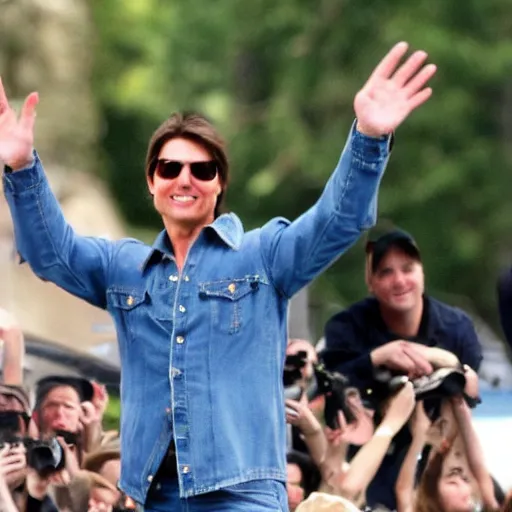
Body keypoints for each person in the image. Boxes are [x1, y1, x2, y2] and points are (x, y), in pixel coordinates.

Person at [0, 41, 436, 511]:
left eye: (201, 168)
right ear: (152, 183)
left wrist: (368, 139)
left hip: (242, 493)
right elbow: (51, 254)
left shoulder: (263, 255)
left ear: (219, 183)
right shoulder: (122, 268)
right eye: (170, 167)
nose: (185, 179)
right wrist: (21, 167)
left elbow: (337, 221)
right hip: (151, 493)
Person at [321, 228, 483, 509]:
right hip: (367, 459)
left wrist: (438, 359)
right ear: (370, 282)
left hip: (437, 458)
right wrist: (379, 357)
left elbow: (469, 390)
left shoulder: (456, 327)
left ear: (423, 274)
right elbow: (329, 381)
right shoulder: (347, 326)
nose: (399, 281)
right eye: (385, 272)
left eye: (408, 269)